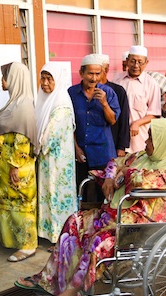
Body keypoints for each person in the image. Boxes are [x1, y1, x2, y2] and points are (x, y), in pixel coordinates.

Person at [15, 118, 166, 296]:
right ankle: (49, 278)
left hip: (140, 228)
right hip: (116, 217)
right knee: (75, 221)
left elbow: (143, 180)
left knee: (99, 242)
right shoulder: (144, 156)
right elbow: (114, 162)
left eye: (151, 138)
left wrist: (124, 173)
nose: (146, 142)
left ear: (164, 141)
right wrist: (110, 176)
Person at [0, 62, 38, 262]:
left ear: (15, 79)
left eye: (5, 76)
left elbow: (23, 139)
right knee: (8, 204)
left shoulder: (23, 106)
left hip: (16, 167)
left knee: (21, 206)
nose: (2, 80)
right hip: (4, 167)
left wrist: (16, 166)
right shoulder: (14, 104)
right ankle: (10, 241)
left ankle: (27, 245)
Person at [35, 62, 78, 245]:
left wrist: (34, 146)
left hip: (57, 161)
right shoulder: (44, 102)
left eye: (49, 79)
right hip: (46, 160)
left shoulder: (61, 104)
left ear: (57, 80)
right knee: (47, 193)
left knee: (57, 194)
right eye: (42, 78)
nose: (45, 83)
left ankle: (60, 235)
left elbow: (50, 136)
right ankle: (48, 232)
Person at [68, 54, 120, 197]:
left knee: (103, 196)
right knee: (82, 194)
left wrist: (104, 103)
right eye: (90, 73)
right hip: (81, 154)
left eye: (98, 74)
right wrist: (76, 147)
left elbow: (113, 120)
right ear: (81, 73)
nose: (94, 78)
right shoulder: (71, 93)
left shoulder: (108, 93)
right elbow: (68, 124)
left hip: (102, 153)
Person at [113, 45, 161, 153]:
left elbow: (155, 113)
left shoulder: (151, 83)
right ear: (127, 61)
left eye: (140, 62)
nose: (136, 65)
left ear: (146, 63)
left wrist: (137, 123)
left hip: (139, 138)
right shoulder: (117, 79)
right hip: (118, 138)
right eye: (133, 61)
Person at [99, 54, 130, 156]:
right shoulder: (83, 92)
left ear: (106, 70)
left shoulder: (117, 91)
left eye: (97, 72)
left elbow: (123, 120)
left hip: (112, 144)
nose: (94, 76)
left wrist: (121, 147)